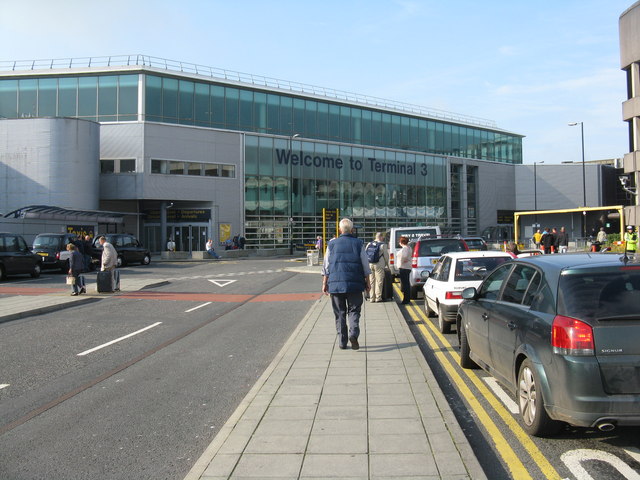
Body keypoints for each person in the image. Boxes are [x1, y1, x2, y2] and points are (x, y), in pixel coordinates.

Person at [321, 218, 371, 350]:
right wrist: (368, 282)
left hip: (336, 285)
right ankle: (353, 334)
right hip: (355, 284)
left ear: (339, 230)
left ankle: (342, 342)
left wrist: (324, 283)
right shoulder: (359, 243)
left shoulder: (331, 244)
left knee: (340, 312)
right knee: (354, 310)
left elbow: (326, 266)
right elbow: (365, 265)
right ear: (352, 230)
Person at [365, 232, 388, 303]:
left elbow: (365, 253)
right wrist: (387, 265)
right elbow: (386, 256)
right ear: (380, 237)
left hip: (370, 264)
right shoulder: (383, 245)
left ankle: (372, 298)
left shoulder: (369, 244)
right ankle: (378, 297)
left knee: (371, 281)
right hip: (379, 264)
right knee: (379, 281)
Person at [398, 236, 412, 304]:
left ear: (401, 242)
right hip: (407, 267)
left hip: (404, 267)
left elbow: (404, 256)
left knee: (405, 284)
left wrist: (402, 261)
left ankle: (406, 300)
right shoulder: (409, 247)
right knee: (406, 283)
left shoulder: (405, 248)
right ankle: (407, 298)